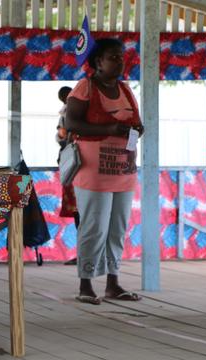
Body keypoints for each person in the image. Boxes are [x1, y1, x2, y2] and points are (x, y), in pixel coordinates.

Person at [66, 38, 144, 305]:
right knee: (93, 227)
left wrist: (136, 130)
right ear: (98, 62)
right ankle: (85, 283)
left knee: (117, 228)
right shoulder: (85, 87)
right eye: (113, 57)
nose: (120, 61)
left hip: (124, 170)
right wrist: (108, 130)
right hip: (93, 171)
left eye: (121, 56)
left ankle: (113, 282)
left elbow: (137, 122)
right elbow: (72, 123)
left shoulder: (125, 89)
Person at [55, 86, 79, 266]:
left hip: (74, 165)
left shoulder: (67, 114)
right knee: (83, 213)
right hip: (79, 165)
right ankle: (86, 253)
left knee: (80, 212)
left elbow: (61, 135)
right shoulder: (77, 112)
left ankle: (84, 253)